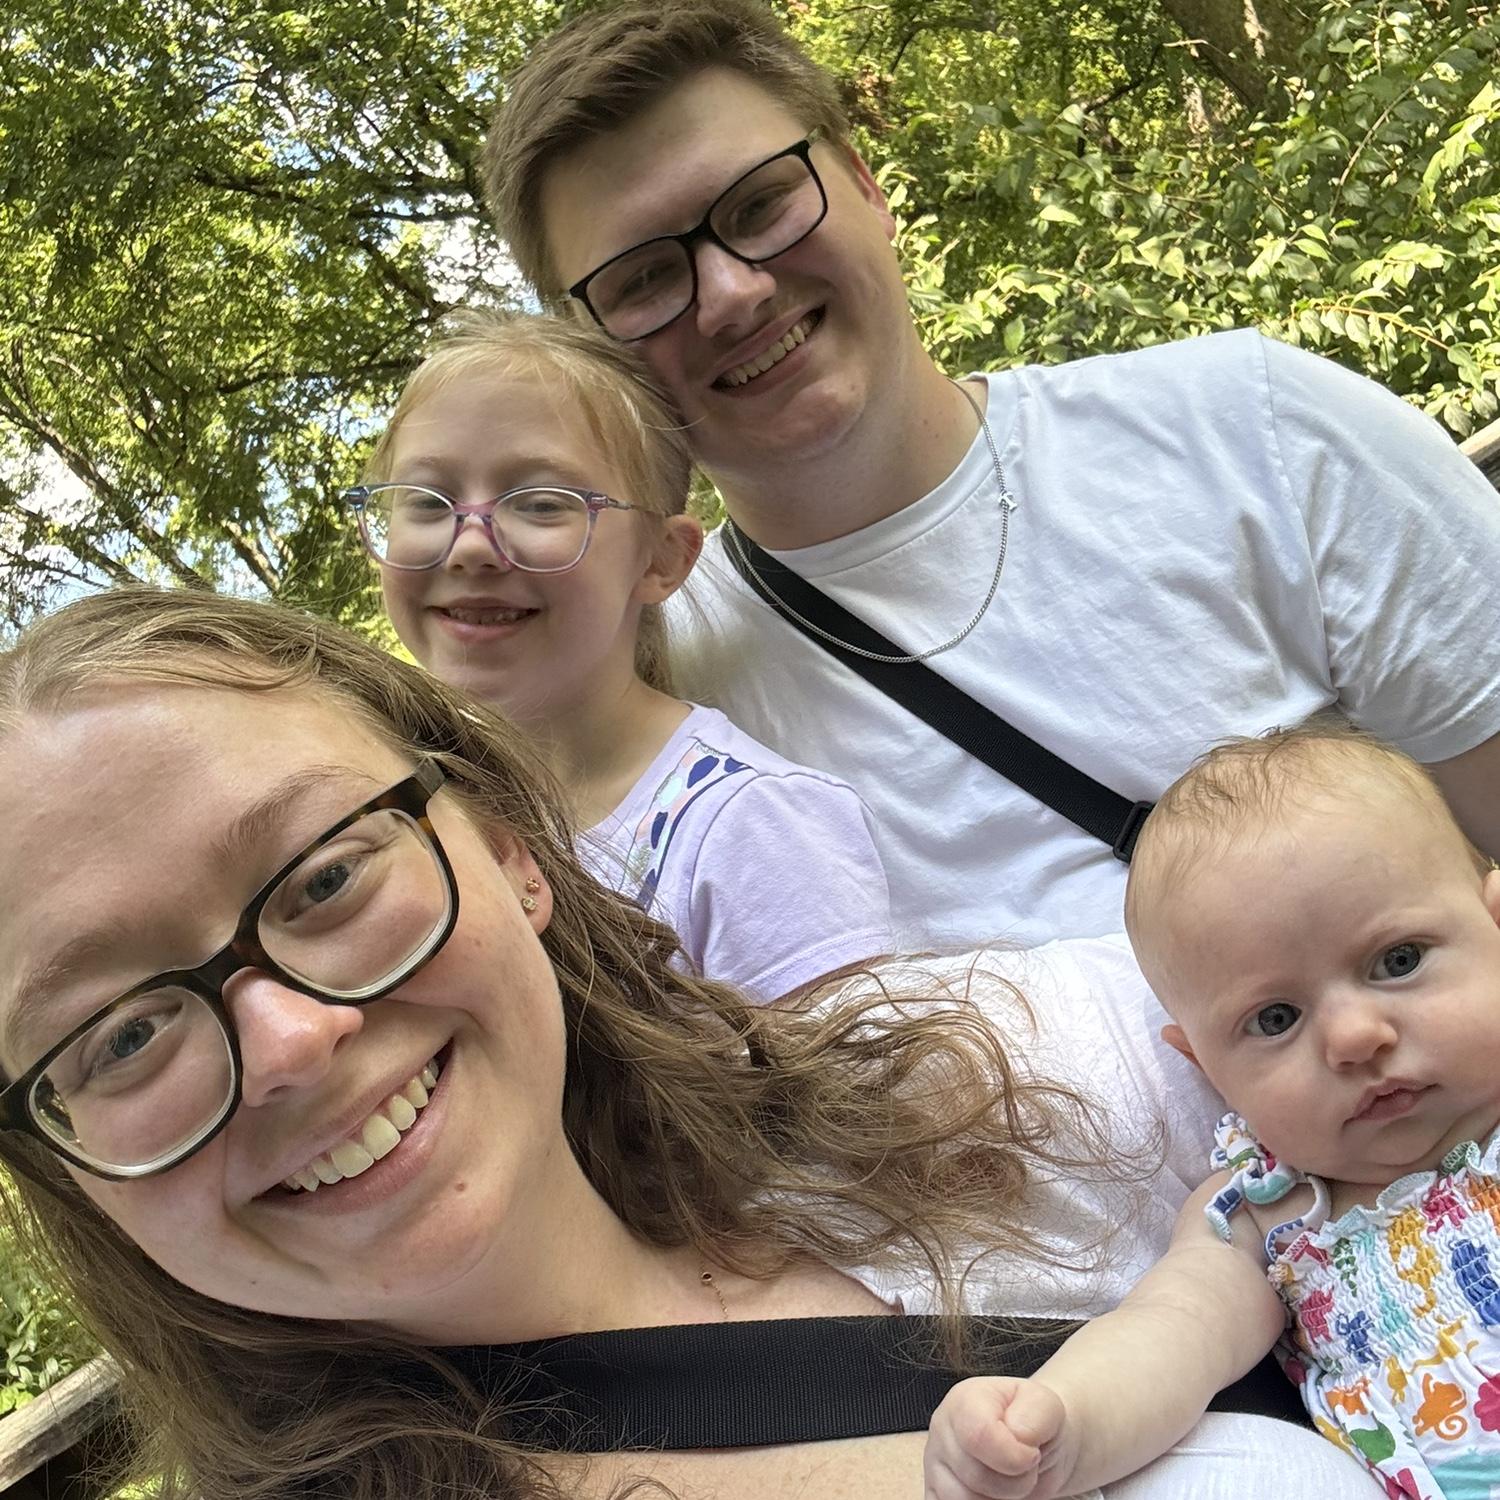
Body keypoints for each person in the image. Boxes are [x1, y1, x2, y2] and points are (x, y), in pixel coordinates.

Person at [0, 587, 1384, 1500]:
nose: (292, 1042)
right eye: (121, 1037)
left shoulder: (988, 1075)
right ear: (62, 1168)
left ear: (509, 854)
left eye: (324, 879)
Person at [482, 0, 1500, 951]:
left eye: (760, 205)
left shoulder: (1254, 432)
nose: (733, 292)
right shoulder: (637, 687)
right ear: (590, 345)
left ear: (865, 185)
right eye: (645, 278)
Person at [923, 728, 1500, 1500]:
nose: (1355, 1037)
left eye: (1398, 961)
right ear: (1205, 1067)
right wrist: (1063, 1421)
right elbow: (1173, 1331)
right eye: (1275, 1019)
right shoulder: (1265, 1212)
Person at [348, 309, 893, 1002]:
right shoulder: (395, 803)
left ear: (661, 560)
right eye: (426, 503)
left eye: (541, 503)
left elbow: (844, 1074)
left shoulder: (753, 831)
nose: (471, 545)